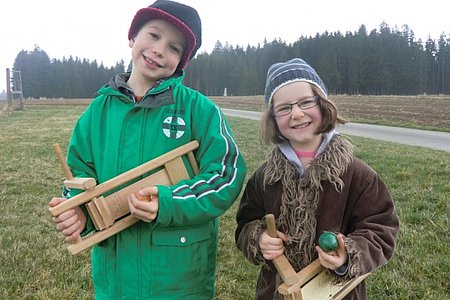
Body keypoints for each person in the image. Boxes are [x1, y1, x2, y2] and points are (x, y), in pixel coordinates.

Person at [49, 1, 247, 299]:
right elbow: (81, 173)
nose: (158, 50)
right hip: (115, 278)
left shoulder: (199, 110)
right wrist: (78, 210)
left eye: (173, 48)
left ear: (181, 61)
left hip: (179, 279)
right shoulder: (97, 114)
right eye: (153, 35)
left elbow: (226, 175)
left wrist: (168, 202)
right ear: (132, 38)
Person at [235, 58, 399, 299]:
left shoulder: (358, 175)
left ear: (323, 104)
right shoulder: (264, 177)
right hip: (276, 292)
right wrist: (258, 239)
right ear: (273, 119)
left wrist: (347, 255)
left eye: (305, 102)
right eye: (284, 108)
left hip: (338, 292)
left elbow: (381, 229)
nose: (297, 114)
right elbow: (245, 224)